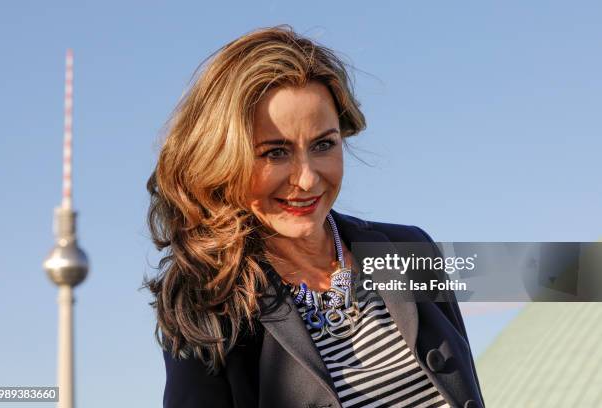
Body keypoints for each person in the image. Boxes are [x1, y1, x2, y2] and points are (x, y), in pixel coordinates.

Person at [145, 25, 485, 408]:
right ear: (223, 161)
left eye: (323, 144)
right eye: (275, 152)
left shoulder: (411, 250)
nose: (306, 179)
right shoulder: (206, 308)